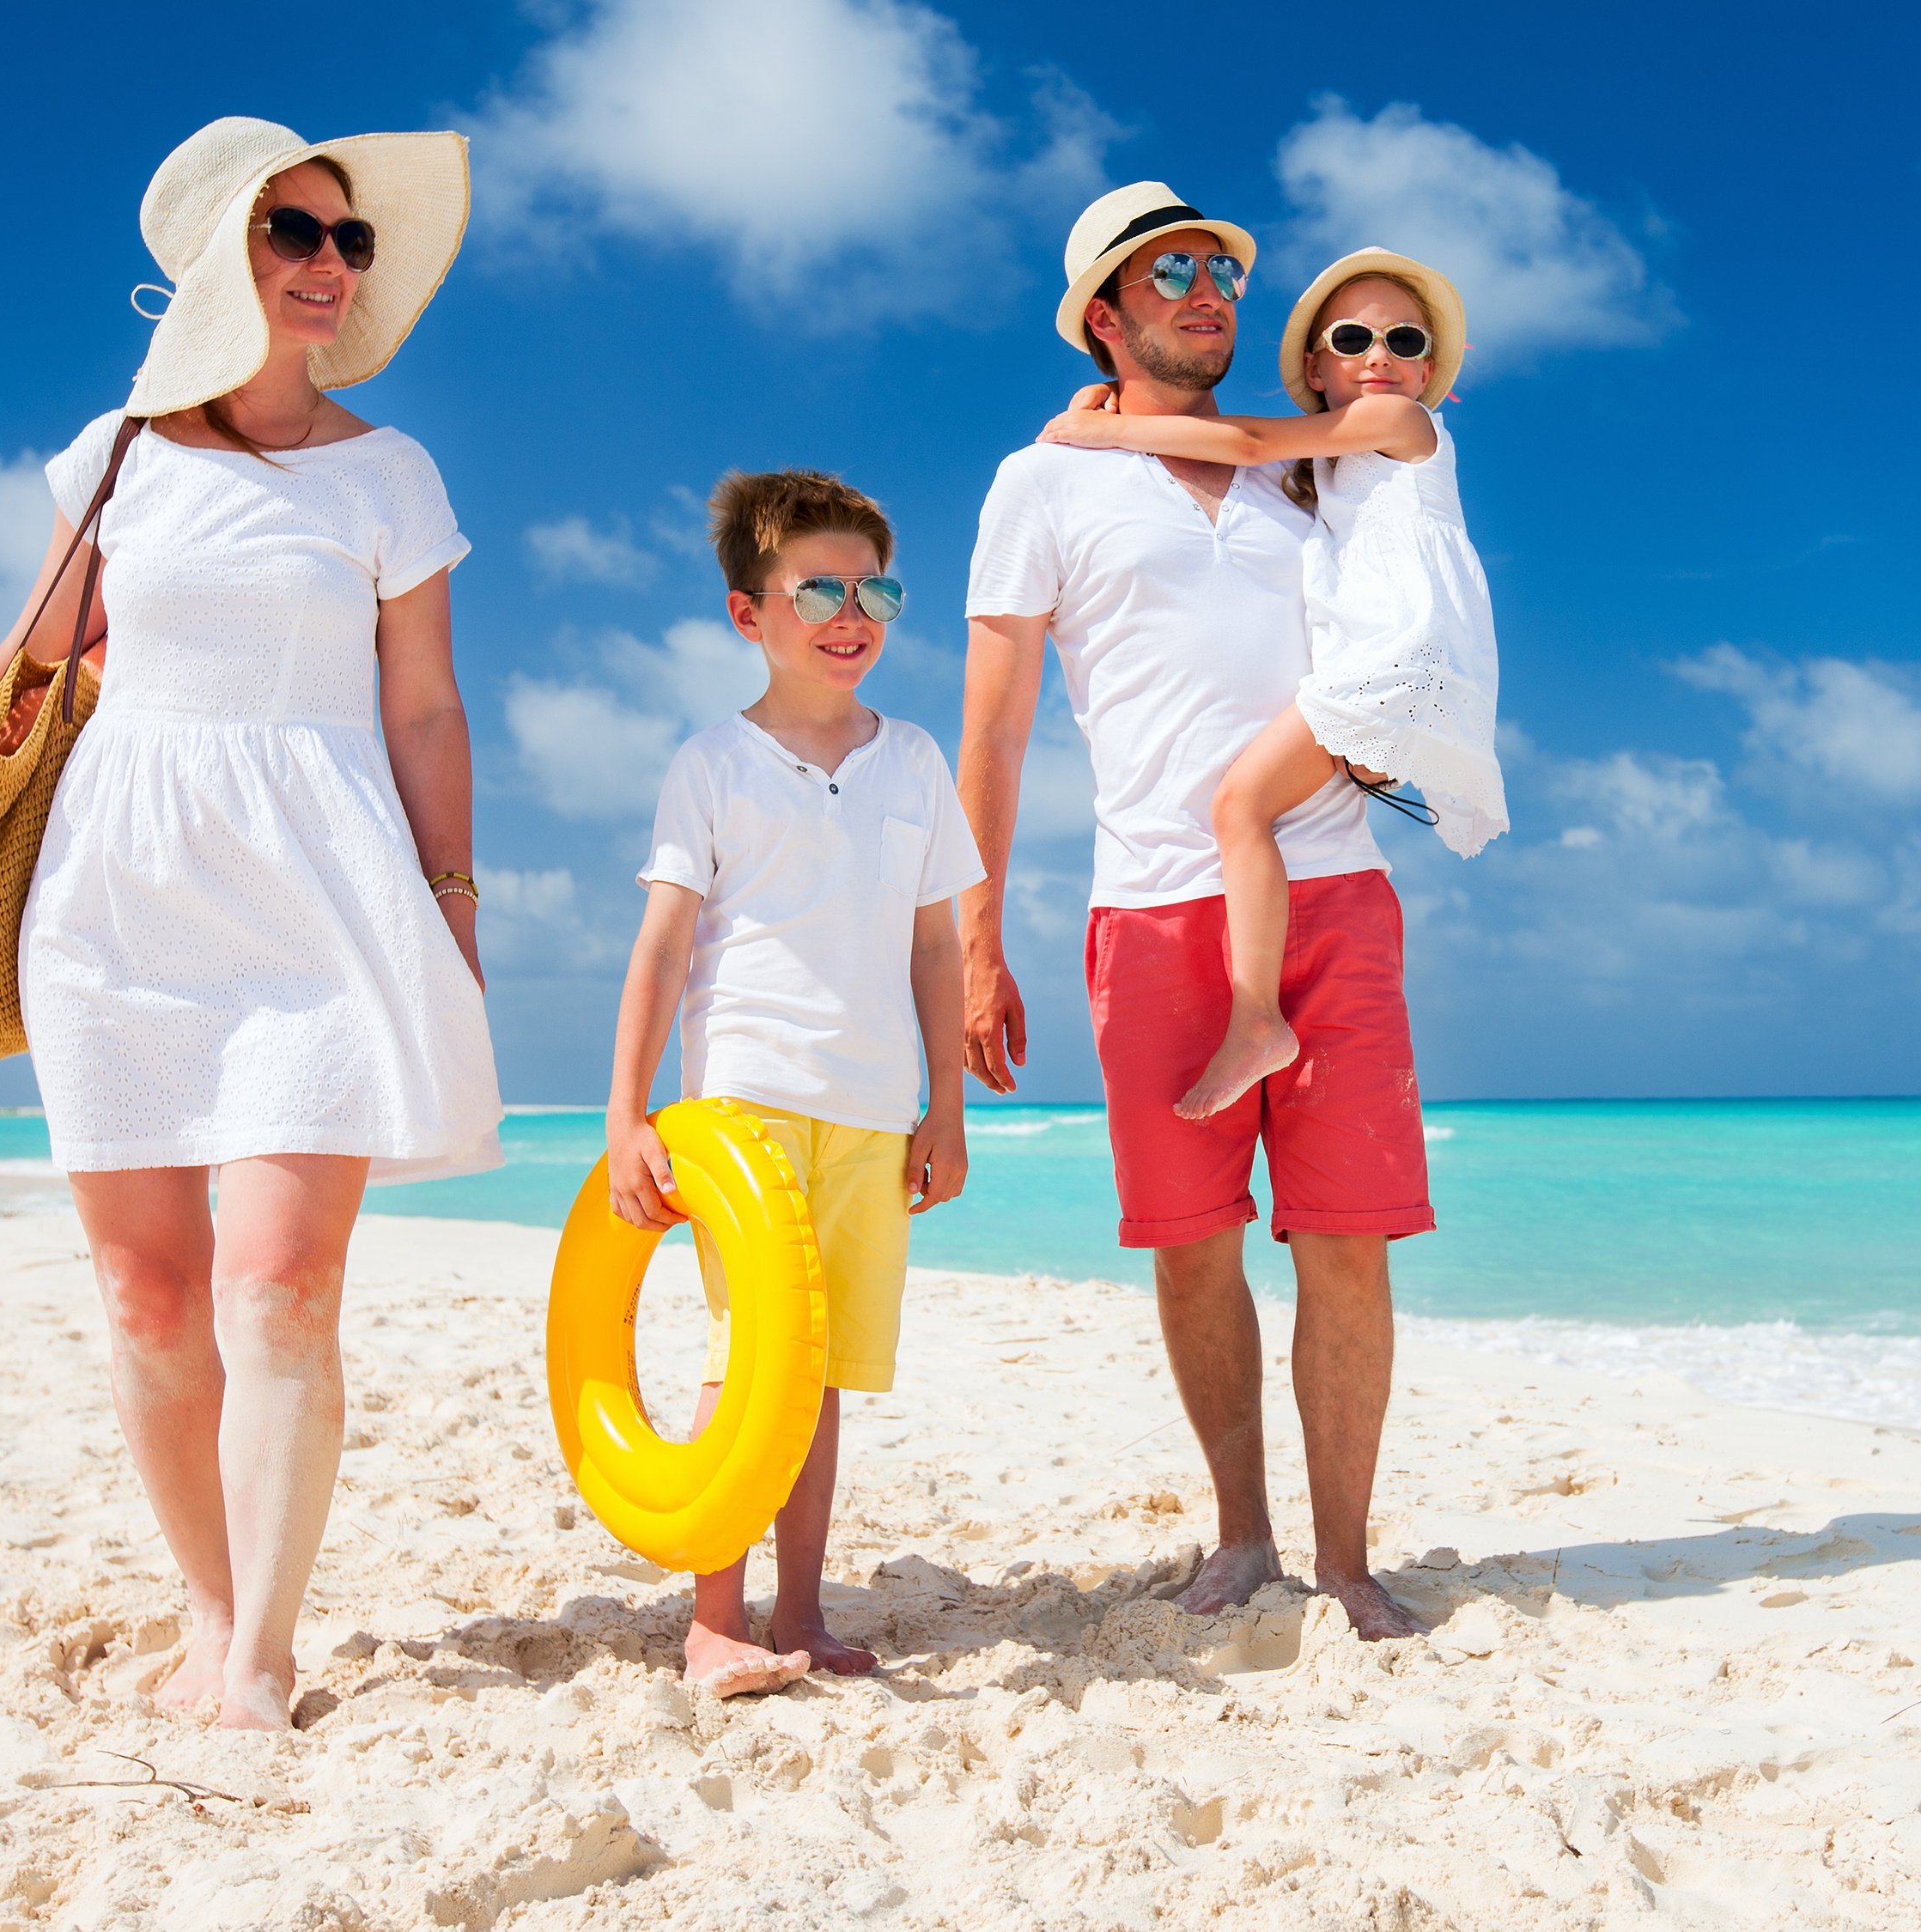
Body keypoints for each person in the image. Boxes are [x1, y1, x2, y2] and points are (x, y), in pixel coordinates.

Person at [0, 118, 497, 1730]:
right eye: (295, 232)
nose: (331, 264)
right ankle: (207, 1609)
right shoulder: (117, 454)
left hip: (323, 893)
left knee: (277, 1290)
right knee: (147, 1297)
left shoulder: (391, 473)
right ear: (220, 257)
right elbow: (39, 652)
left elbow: (422, 713)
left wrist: (453, 902)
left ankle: (263, 1651)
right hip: (117, 890)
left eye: (351, 240)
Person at [959, 184, 1434, 1642]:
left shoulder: (1311, 473)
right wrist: (976, 939)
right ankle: (1243, 1533)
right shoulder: (1038, 485)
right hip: (1151, 905)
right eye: (1170, 269)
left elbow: (1407, 628)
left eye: (1221, 263)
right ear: (1105, 313)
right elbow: (993, 725)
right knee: (1191, 1237)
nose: (1209, 285)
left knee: (1347, 1238)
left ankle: (1346, 1561)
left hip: (1335, 883)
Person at [600, 470, 982, 1698]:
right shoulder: (712, 764)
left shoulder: (916, 761)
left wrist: (948, 1104)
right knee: (747, 1355)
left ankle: (803, 1611)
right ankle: (717, 1617)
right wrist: (627, 1114)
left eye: (876, 585)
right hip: (743, 1100)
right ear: (747, 613)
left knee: (818, 1370)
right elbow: (662, 944)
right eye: (816, 584)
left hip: (873, 1110)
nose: (850, 608)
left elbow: (938, 943)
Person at [1040, 247, 1506, 1119]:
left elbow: (1246, 440)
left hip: (1398, 661)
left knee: (1238, 806)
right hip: (1382, 668)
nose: (1378, 356)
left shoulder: (1407, 431)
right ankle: (1257, 1017)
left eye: (1403, 340)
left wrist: (1104, 430)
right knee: (1247, 806)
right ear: (1314, 368)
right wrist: (1093, 404)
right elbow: (1253, 456)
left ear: (1433, 377)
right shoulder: (1322, 472)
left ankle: (1256, 1020)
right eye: (1353, 338)